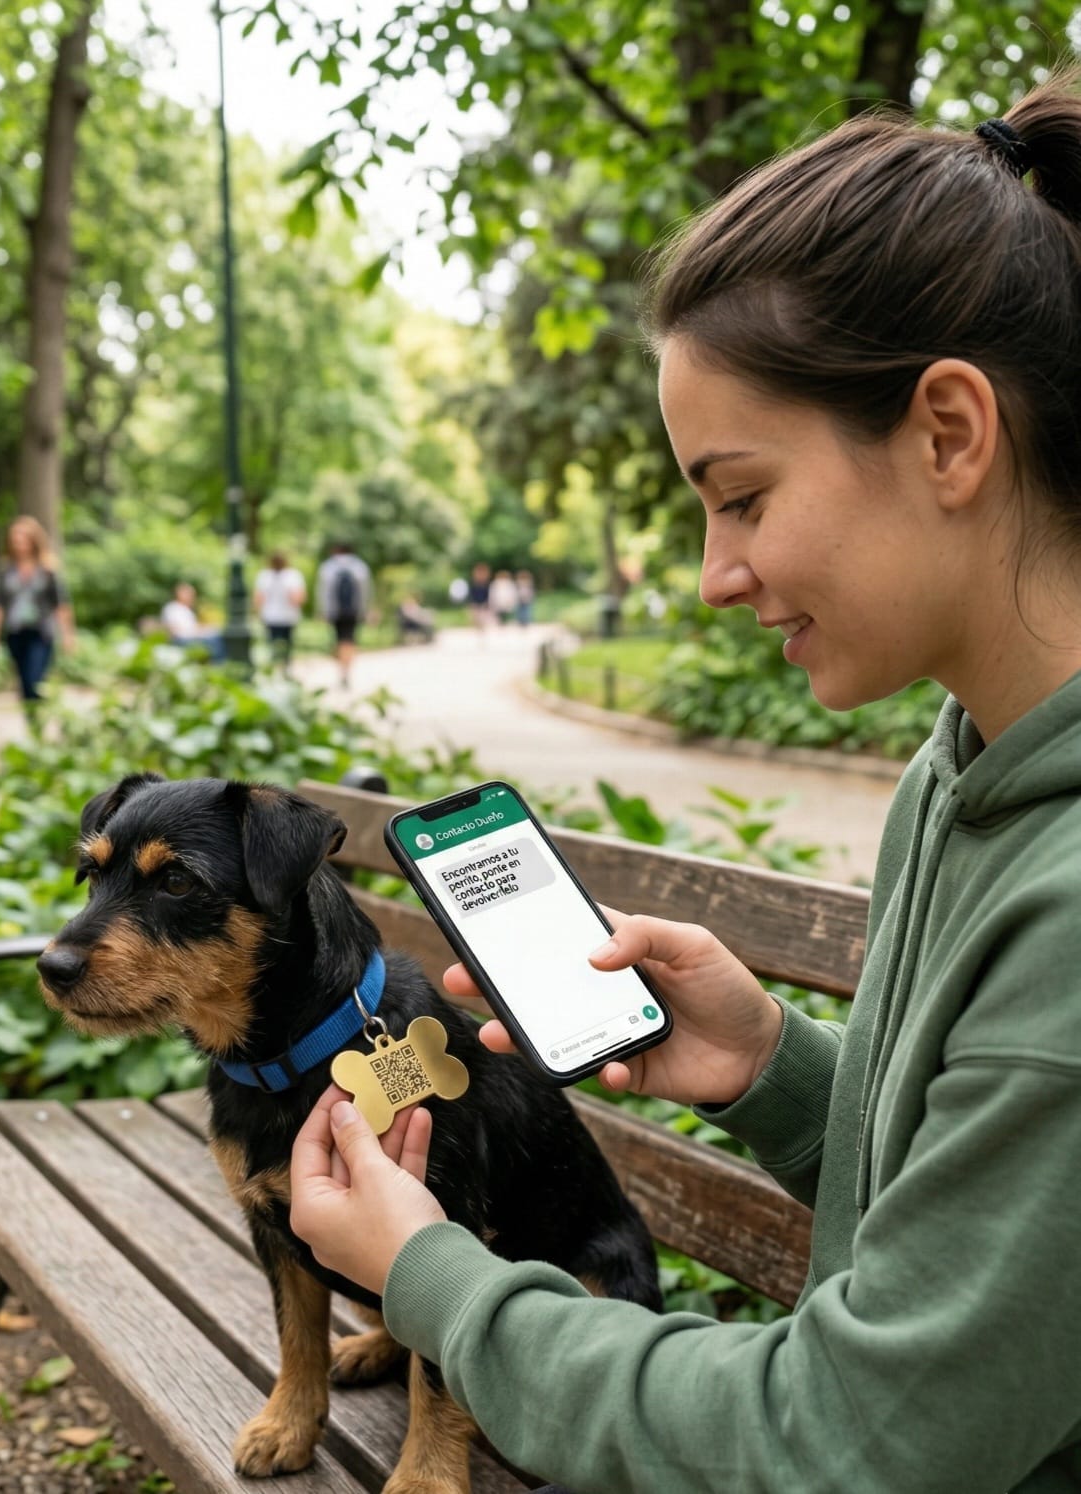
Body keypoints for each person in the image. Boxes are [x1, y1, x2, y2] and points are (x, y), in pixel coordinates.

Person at [289, 77, 1081, 1493]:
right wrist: (770, 1070)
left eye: (741, 495)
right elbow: (990, 1239)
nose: (715, 576)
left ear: (948, 432)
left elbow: (849, 1435)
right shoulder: (950, 775)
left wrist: (435, 1277)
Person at [0, 516, 74, 705]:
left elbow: (61, 604)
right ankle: (32, 724)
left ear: (34, 540)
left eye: (23, 538)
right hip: (16, 632)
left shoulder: (47, 569)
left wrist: (68, 636)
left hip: (41, 632)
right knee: (24, 682)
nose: (19, 543)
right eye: (15, 538)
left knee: (35, 680)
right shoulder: (5, 569)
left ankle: (39, 715)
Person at [317, 542, 371, 687]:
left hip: (335, 612)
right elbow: (366, 591)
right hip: (353, 611)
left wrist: (323, 611)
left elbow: (323, 592)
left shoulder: (328, 567)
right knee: (350, 640)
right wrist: (365, 611)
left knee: (338, 640)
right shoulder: (360, 567)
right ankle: (347, 669)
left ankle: (341, 669)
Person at [253, 551, 306, 667]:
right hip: (284, 617)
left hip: (275, 616)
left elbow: (258, 599)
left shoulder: (265, 575)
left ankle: (278, 668)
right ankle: (283, 668)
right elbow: (299, 598)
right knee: (285, 645)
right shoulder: (293, 576)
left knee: (274, 645)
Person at [160, 582, 225, 662]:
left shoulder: (186, 610)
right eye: (190, 594)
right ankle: (218, 664)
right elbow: (174, 630)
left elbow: (193, 626)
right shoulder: (172, 608)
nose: (193, 597)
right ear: (180, 594)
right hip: (181, 640)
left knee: (217, 634)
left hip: (191, 637)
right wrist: (196, 632)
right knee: (215, 640)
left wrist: (206, 628)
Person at [466, 561, 491, 633]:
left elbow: (488, 594)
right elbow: (471, 594)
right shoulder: (473, 584)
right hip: (475, 603)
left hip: (484, 603)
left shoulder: (486, 584)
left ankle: (481, 630)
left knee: (483, 618)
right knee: (476, 618)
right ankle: (478, 629)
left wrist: (487, 602)